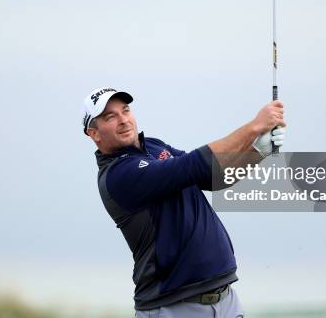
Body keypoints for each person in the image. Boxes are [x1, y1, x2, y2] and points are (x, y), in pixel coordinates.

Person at [81, 87, 286, 317]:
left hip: (226, 300)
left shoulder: (154, 145)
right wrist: (254, 126)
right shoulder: (118, 176)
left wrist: (257, 152)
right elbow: (192, 165)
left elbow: (211, 176)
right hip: (172, 306)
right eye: (110, 117)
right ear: (94, 134)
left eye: (125, 110)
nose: (123, 120)